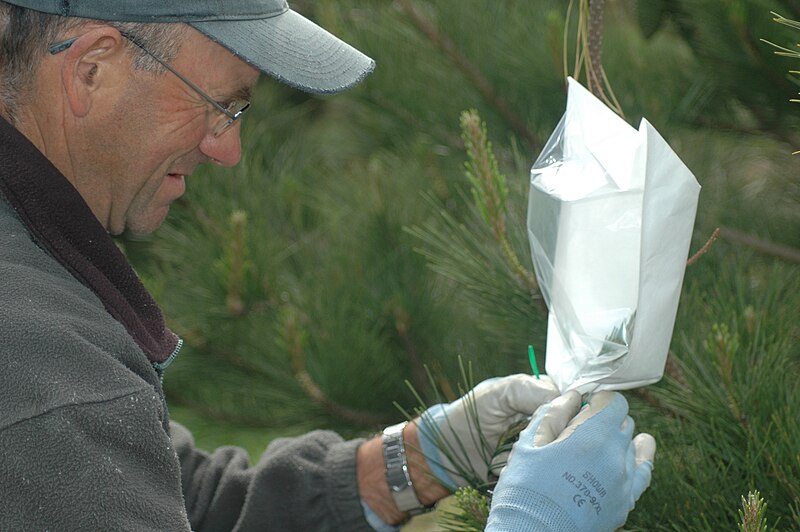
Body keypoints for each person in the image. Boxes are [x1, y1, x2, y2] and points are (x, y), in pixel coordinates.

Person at [0, 1, 655, 530]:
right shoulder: (48, 369)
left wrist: (417, 462)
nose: (227, 149)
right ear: (92, 69)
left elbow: (169, 498)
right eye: (220, 103)